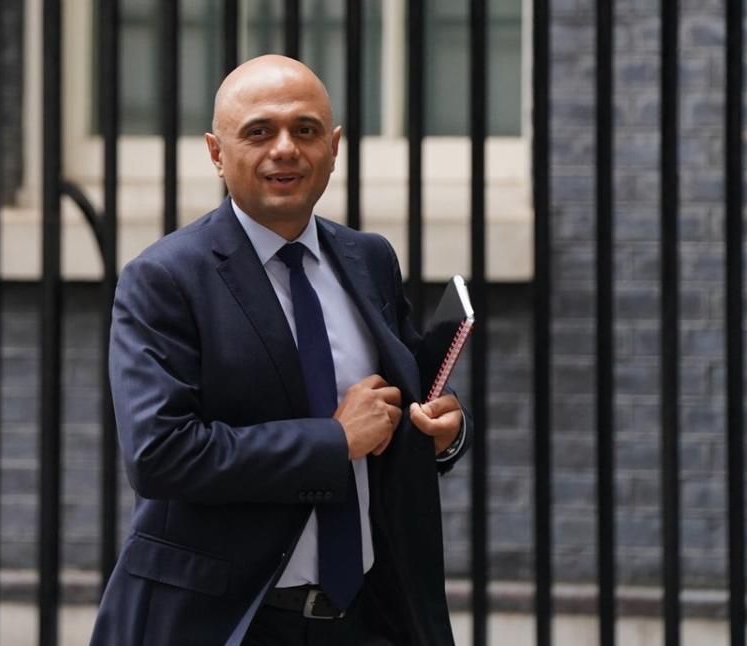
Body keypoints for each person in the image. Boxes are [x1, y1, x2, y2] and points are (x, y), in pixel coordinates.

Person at [89, 54, 471, 646]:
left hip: (368, 616)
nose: (286, 148)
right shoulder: (164, 279)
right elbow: (159, 454)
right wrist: (335, 440)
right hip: (231, 622)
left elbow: (396, 414)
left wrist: (443, 432)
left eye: (306, 129)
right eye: (260, 131)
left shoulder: (369, 259)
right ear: (217, 153)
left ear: (334, 145)